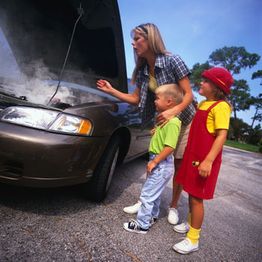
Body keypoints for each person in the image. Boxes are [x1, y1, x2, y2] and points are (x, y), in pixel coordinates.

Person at [97, 23, 195, 224]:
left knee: (177, 163)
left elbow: (188, 95)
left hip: (183, 120)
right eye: (132, 40)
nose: (133, 44)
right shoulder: (142, 70)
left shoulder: (172, 60)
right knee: (156, 164)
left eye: (137, 39)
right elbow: (136, 98)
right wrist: (111, 91)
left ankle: (174, 206)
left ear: (150, 39)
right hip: (162, 121)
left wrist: (173, 111)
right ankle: (146, 202)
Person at [172, 67, 234, 254]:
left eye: (206, 81)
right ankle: (191, 225)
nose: (201, 82)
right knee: (190, 192)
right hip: (193, 157)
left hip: (204, 160)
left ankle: (193, 239)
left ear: (216, 87)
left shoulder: (221, 107)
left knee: (197, 198)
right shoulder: (204, 104)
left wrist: (208, 161)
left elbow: (221, 136)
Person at [123, 83, 182, 233]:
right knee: (154, 193)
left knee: (147, 194)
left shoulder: (173, 123)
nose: (154, 101)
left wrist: (155, 161)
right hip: (159, 162)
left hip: (161, 163)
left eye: (157, 98)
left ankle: (142, 224)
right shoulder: (166, 121)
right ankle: (152, 216)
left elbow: (169, 147)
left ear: (169, 101)